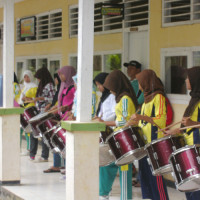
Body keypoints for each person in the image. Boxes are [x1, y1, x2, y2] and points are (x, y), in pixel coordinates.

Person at [98, 70, 138, 200]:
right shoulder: (121, 98)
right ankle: (103, 193)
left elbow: (125, 120)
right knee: (107, 163)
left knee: (125, 170)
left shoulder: (125, 99)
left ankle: (125, 198)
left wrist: (106, 123)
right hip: (119, 137)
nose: (110, 91)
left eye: (111, 88)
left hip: (125, 138)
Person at [130, 69, 169, 200]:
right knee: (145, 175)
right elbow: (143, 120)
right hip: (144, 143)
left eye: (140, 82)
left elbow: (160, 119)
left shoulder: (159, 97)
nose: (139, 85)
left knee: (156, 176)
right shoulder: (146, 99)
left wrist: (141, 117)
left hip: (154, 144)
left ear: (146, 82)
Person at [165, 66, 200, 200]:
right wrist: (176, 130)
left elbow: (192, 124)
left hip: (197, 150)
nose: (186, 80)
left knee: (197, 190)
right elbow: (188, 125)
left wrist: (192, 124)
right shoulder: (194, 100)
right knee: (190, 188)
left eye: (188, 78)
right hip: (189, 149)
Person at [44, 66, 76, 172]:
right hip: (62, 117)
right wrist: (56, 108)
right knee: (57, 141)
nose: (60, 76)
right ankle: (57, 164)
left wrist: (66, 107)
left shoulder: (73, 88)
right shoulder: (63, 86)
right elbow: (60, 102)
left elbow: (73, 104)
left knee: (66, 143)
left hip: (69, 118)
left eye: (62, 74)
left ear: (68, 74)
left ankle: (67, 167)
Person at [93, 72, 116, 200]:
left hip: (110, 130)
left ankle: (105, 191)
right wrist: (98, 118)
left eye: (100, 85)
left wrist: (103, 120)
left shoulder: (113, 97)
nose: (99, 88)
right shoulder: (104, 97)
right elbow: (103, 112)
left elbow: (113, 114)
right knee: (101, 161)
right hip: (103, 129)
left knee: (107, 162)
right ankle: (103, 189)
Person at [29, 67, 55, 162]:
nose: (38, 80)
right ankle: (32, 154)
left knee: (44, 134)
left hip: (45, 112)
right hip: (39, 111)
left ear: (43, 77)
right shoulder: (41, 85)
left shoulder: (50, 85)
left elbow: (52, 99)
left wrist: (41, 99)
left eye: (39, 78)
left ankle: (44, 156)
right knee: (33, 131)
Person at [19, 70, 38, 155]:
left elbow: (36, 98)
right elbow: (20, 98)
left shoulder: (34, 86)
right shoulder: (23, 87)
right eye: (25, 77)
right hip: (23, 110)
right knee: (22, 129)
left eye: (28, 76)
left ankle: (29, 149)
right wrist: (24, 98)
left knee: (29, 130)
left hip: (30, 110)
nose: (26, 78)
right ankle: (19, 148)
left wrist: (28, 98)